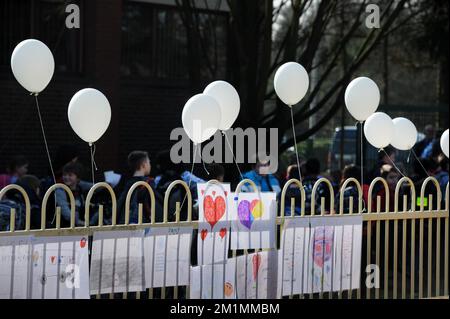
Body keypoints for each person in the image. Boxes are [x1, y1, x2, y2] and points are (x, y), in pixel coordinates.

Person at [117, 151, 154, 224]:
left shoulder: (125, 183)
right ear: (143, 165)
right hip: (142, 223)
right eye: (149, 163)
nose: (150, 165)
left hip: (123, 223)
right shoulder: (148, 184)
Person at [54, 161, 92, 227]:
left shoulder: (79, 186)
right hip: (62, 226)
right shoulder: (60, 190)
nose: (66, 177)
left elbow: (93, 186)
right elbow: (66, 213)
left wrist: (106, 184)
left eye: (70, 175)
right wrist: (80, 222)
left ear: (78, 178)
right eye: (64, 175)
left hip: (76, 224)